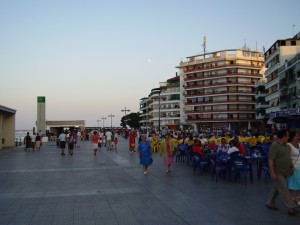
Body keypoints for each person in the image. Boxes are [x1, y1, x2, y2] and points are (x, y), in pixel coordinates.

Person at [266, 129, 298, 215]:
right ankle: (291, 208)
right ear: (283, 136)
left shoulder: (285, 145)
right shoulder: (275, 145)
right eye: (287, 135)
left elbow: (287, 156)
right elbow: (271, 159)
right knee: (284, 189)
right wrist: (273, 172)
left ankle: (270, 202)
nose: (288, 137)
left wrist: (291, 164)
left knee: (277, 188)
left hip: (285, 171)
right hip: (278, 172)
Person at [286, 131, 300, 206]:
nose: (297, 137)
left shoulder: (299, 145)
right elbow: (287, 157)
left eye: (298, 136)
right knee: (291, 186)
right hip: (294, 168)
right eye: (295, 136)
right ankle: (290, 201)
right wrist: (291, 166)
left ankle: (296, 198)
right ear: (291, 137)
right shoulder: (289, 145)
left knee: (299, 185)